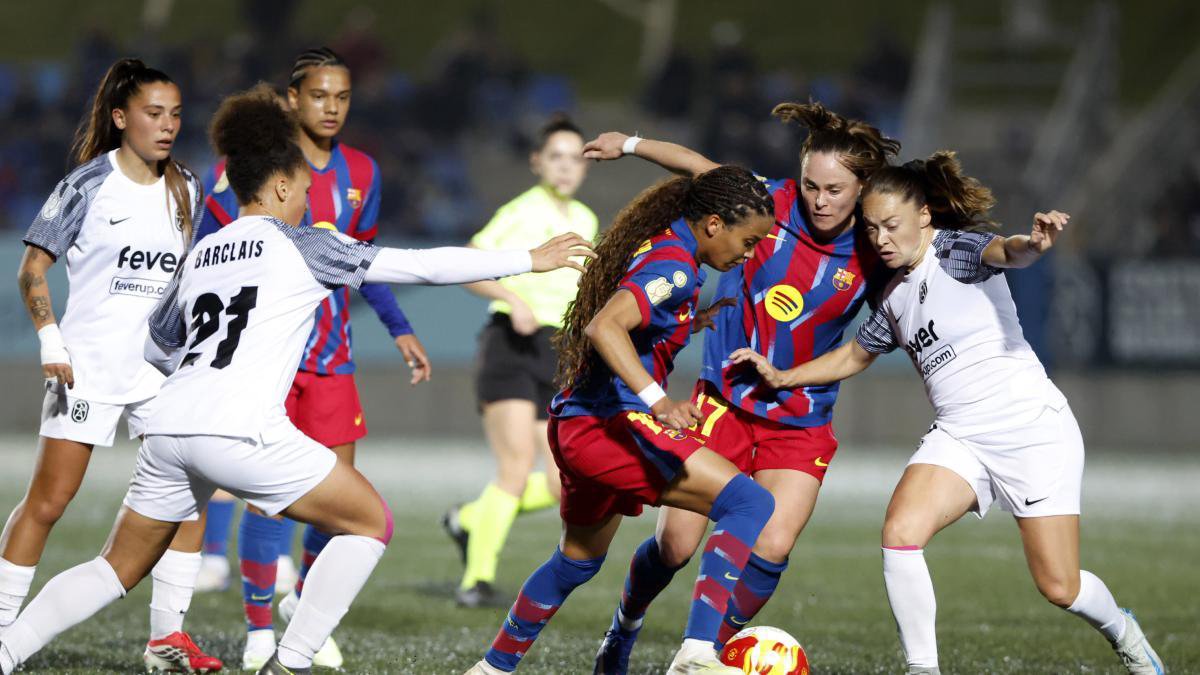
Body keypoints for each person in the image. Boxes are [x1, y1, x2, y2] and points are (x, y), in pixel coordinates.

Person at [0, 84, 593, 675]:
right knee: (369, 522)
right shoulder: (307, 245)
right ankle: (291, 661)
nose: (309, 203)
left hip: (168, 429)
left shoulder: (203, 252)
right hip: (239, 432)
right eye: (306, 191)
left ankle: (7, 648)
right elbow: (420, 264)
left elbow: (159, 345)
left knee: (113, 567)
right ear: (281, 185)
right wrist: (529, 260)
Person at [729, 153, 1166, 675]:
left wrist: (1036, 244)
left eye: (891, 225)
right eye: (871, 229)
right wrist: (784, 376)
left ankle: (1125, 632)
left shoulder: (956, 251)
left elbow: (1008, 251)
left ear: (924, 218)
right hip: (961, 436)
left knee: (1059, 586)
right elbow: (853, 355)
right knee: (900, 531)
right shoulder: (891, 295)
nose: (881, 238)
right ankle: (923, 669)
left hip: (1030, 429)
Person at [580, 102, 899, 672]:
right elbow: (701, 170)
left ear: (862, 188)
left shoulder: (877, 248)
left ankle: (704, 654)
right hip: (721, 404)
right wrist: (629, 145)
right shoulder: (768, 205)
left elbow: (889, 320)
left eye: (833, 190)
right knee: (676, 546)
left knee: (771, 547)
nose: (819, 200)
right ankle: (622, 631)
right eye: (810, 185)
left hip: (799, 419)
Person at [466, 166, 778, 675]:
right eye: (749, 240)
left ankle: (491, 669)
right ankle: (696, 653)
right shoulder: (674, 265)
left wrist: (684, 321)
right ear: (715, 224)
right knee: (749, 501)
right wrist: (660, 402)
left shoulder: (672, 250)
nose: (749, 253)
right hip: (609, 425)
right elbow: (603, 326)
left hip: (578, 421)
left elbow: (631, 319)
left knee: (577, 561)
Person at [194, 47, 430, 669]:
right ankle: (257, 633)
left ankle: (303, 605)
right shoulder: (255, 168)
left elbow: (366, 260)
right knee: (270, 498)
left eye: (343, 96)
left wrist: (399, 325)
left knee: (337, 503)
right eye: (320, 95)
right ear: (293, 98)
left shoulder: (363, 172)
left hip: (334, 358)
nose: (332, 107)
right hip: (271, 358)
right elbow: (210, 246)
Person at [0, 57, 221, 673]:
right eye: (154, 113)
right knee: (48, 502)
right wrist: (51, 339)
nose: (168, 125)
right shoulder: (86, 185)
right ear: (121, 118)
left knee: (187, 500)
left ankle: (165, 642)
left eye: (176, 114)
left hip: (160, 371)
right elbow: (32, 269)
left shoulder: (188, 187)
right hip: (87, 366)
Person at [442, 113, 599, 607]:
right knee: (514, 466)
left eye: (576, 158)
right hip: (511, 344)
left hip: (557, 352)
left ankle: (469, 519)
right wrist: (514, 301)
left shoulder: (588, 220)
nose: (567, 167)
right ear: (537, 162)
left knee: (559, 485)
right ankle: (476, 580)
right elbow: (468, 262)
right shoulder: (521, 211)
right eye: (556, 156)